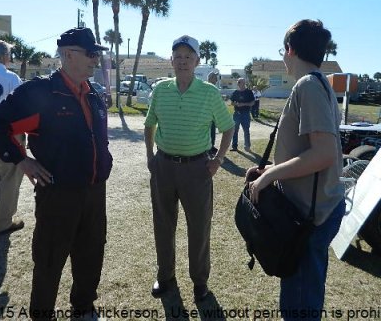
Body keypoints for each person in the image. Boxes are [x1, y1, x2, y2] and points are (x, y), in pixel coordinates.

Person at [0, 28, 112, 321]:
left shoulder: (94, 94)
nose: (95, 60)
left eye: (97, 54)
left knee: (91, 253)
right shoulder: (39, 93)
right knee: (49, 259)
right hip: (58, 194)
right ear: (69, 54)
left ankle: (84, 307)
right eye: (90, 53)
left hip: (95, 191)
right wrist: (21, 160)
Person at [246, 20, 345, 321]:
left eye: (283, 50)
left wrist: (270, 176)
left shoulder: (308, 86)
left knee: (300, 300)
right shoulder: (322, 84)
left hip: (311, 215)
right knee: (302, 293)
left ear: (289, 50)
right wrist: (271, 168)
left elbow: (324, 154)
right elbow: (308, 154)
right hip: (315, 207)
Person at [144, 35, 234, 302]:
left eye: (188, 57)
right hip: (164, 166)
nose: (182, 61)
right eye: (178, 56)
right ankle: (165, 276)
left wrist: (217, 160)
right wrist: (150, 157)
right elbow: (149, 125)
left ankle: (199, 282)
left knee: (199, 228)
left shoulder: (209, 93)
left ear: (197, 61)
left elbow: (227, 128)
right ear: (171, 60)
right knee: (163, 224)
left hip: (197, 169)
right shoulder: (161, 90)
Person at [0, 40, 26, 236]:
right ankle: (2, 222)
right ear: (3, 56)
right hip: (7, 132)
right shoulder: (11, 77)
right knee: (9, 176)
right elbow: (23, 108)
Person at [230, 78, 255, 152]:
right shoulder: (235, 92)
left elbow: (252, 102)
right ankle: (234, 146)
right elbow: (231, 102)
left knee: (246, 130)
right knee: (235, 130)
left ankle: (247, 146)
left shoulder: (249, 92)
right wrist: (235, 104)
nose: (242, 84)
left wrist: (243, 104)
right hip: (236, 113)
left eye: (243, 82)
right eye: (239, 82)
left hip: (245, 114)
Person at [207, 71, 219, 155]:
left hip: (213, 115)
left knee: (213, 132)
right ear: (211, 78)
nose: (217, 80)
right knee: (208, 132)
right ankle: (208, 148)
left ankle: (212, 146)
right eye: (215, 78)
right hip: (208, 115)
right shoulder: (206, 87)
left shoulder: (214, 88)